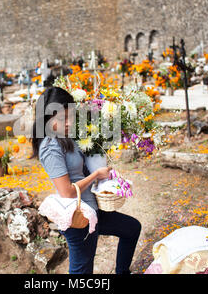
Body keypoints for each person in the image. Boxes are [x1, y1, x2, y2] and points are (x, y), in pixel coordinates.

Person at [31, 87, 141, 274]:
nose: (68, 122)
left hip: (93, 209)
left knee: (131, 228)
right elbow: (66, 191)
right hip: (78, 217)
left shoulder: (65, 137)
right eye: (61, 118)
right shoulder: (50, 147)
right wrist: (96, 175)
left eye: (70, 116)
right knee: (82, 272)